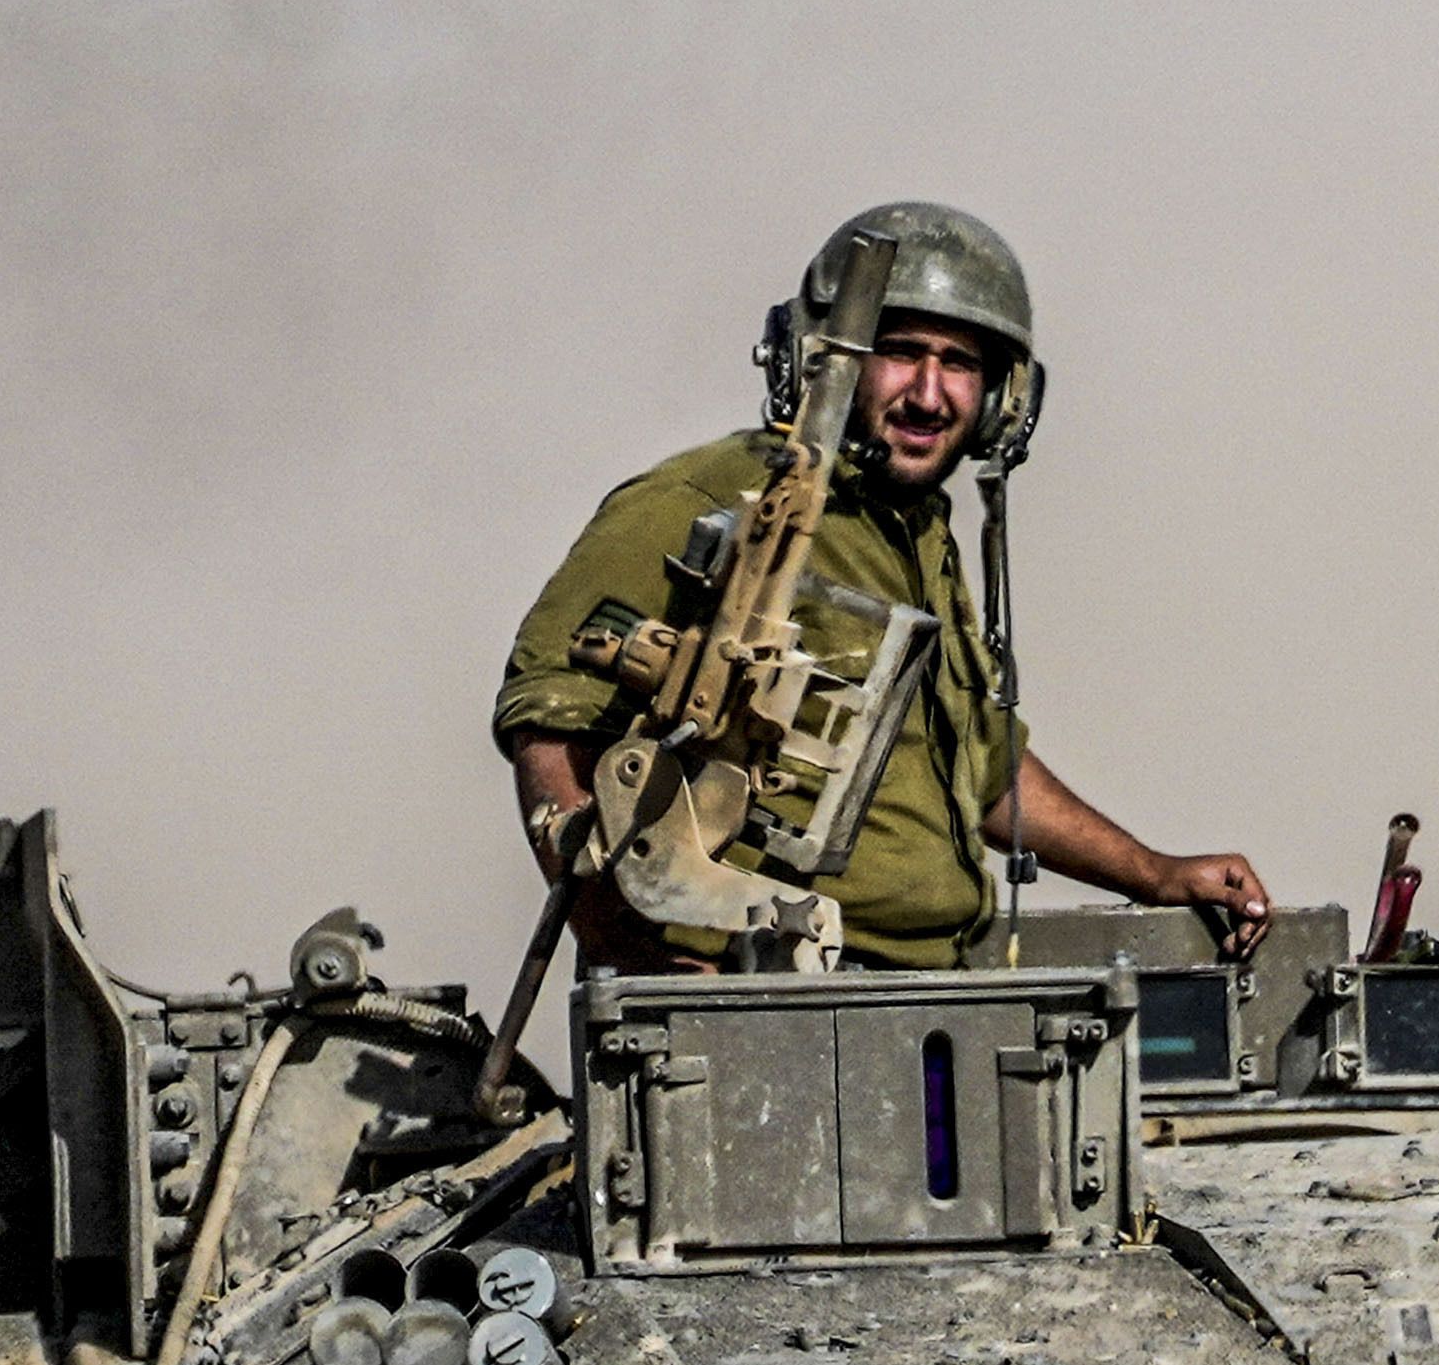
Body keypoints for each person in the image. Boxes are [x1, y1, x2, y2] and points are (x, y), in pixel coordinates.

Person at [492, 201, 1262, 967]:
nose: (929, 394)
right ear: (827, 358)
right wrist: (634, 960)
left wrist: (1152, 873)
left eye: (959, 364)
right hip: (764, 983)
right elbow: (552, 720)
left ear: (1002, 398)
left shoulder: (918, 533)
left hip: (922, 990)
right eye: (901, 352)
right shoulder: (710, 498)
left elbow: (984, 773)